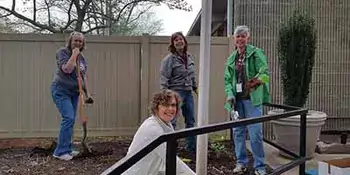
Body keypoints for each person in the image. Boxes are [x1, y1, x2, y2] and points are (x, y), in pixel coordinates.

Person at [224, 25, 270, 175]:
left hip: (252, 100)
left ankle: (260, 166)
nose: (240, 39)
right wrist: (230, 94)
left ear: (248, 37)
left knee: (255, 133)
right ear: (234, 39)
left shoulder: (256, 53)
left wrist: (256, 81)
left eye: (243, 36)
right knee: (238, 132)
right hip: (237, 101)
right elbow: (227, 81)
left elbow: (265, 73)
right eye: (238, 36)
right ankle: (241, 163)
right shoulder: (232, 58)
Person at [122, 89, 196, 175]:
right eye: (166, 105)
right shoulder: (152, 128)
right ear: (156, 107)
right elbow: (170, 159)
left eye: (173, 105)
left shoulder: (166, 125)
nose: (170, 109)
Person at [51, 31, 94, 161]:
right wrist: (74, 54)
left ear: (83, 44)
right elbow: (67, 69)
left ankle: (67, 149)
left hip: (74, 92)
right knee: (68, 118)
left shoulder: (82, 59)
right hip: (61, 90)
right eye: (75, 40)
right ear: (70, 41)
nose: (78, 43)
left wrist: (88, 93)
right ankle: (60, 152)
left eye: (80, 41)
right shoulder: (62, 52)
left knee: (70, 120)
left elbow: (82, 76)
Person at [159, 32, 198, 154]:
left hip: (188, 92)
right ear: (173, 44)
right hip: (175, 93)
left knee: (190, 120)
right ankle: (171, 150)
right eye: (176, 40)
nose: (179, 41)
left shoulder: (189, 57)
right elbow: (164, 78)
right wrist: (167, 96)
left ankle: (191, 148)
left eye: (181, 39)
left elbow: (192, 76)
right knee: (172, 121)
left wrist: (196, 88)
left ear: (185, 42)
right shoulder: (169, 59)